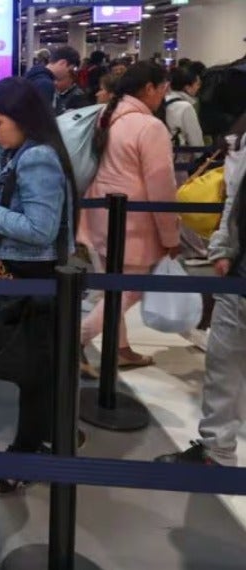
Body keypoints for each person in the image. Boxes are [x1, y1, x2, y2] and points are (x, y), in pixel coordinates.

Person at [0, 76, 79, 496]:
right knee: (41, 371)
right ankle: (53, 438)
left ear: (22, 118)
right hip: (28, 276)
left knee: (35, 373)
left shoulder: (37, 158)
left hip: (33, 278)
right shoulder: (27, 152)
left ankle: (27, 455)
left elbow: (41, 229)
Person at [156, 114, 246, 467]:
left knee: (226, 365)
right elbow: (235, 200)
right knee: (224, 365)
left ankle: (217, 449)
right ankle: (217, 449)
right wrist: (223, 248)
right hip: (238, 277)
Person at [78, 61, 179, 369]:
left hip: (102, 215)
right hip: (135, 222)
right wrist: (171, 236)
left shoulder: (108, 118)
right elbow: (161, 186)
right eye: (162, 89)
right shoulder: (149, 126)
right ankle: (73, 339)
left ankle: (119, 348)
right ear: (148, 88)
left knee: (114, 286)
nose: (163, 96)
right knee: (127, 291)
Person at [164, 66, 205, 150]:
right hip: (179, 157)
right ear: (187, 87)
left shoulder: (163, 100)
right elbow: (195, 141)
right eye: (197, 84)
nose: (199, 87)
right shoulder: (185, 107)